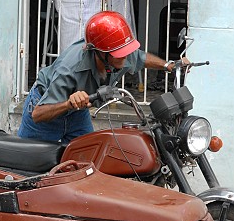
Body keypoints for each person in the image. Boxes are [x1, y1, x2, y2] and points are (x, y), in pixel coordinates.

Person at [18, 10, 177, 143]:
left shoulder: (119, 56)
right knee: (33, 167)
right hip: (47, 110)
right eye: (118, 54)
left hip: (77, 115)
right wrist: (68, 104)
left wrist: (168, 65)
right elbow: (38, 114)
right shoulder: (69, 69)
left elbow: (140, 58)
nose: (125, 57)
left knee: (87, 163)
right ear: (98, 52)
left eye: (125, 52)